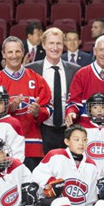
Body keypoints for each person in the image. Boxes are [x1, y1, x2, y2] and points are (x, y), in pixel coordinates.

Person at [0, 35, 53, 171]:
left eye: (17, 51)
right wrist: (8, 109)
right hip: (2, 148)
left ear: (23, 52)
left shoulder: (37, 79)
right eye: (10, 52)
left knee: (29, 189)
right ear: (3, 54)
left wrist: (39, 112)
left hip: (31, 146)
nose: (14, 56)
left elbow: (49, 108)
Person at [31, 124, 98, 206]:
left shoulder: (92, 166)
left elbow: (90, 197)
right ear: (67, 141)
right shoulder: (55, 155)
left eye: (84, 140)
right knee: (62, 202)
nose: (81, 143)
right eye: (76, 139)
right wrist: (50, 183)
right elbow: (36, 174)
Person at [25, 27, 81, 157]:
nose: (55, 47)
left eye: (58, 43)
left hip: (67, 130)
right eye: (51, 43)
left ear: (64, 45)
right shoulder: (30, 70)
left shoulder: (75, 70)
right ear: (43, 44)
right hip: (40, 129)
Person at [65, 35, 104, 126]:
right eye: (101, 50)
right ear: (95, 51)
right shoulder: (82, 74)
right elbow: (73, 102)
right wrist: (71, 112)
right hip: (86, 130)